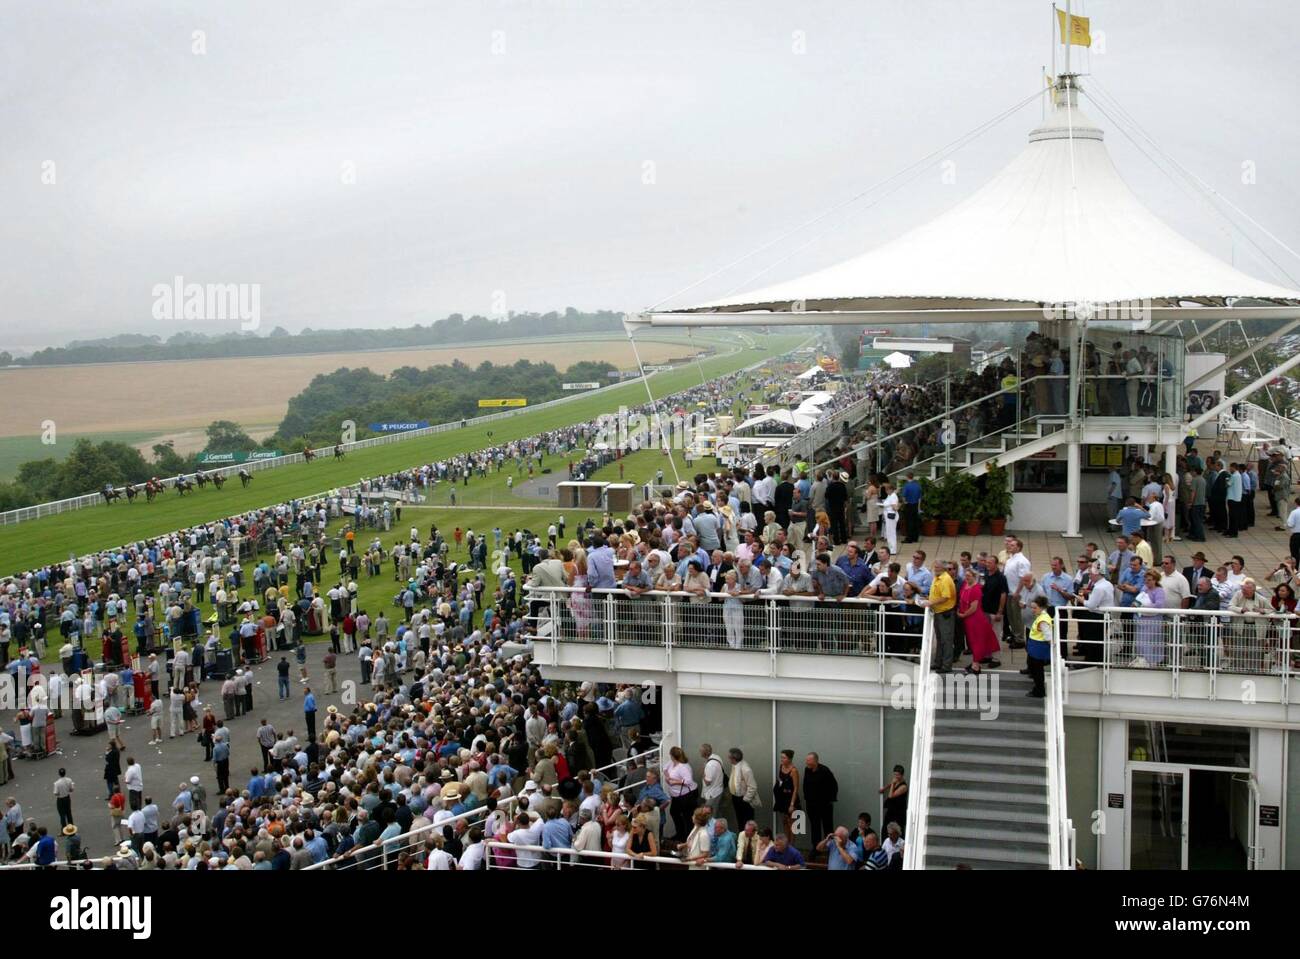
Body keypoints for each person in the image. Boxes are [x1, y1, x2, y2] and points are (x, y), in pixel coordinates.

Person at [956, 567, 1001, 673]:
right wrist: (960, 610)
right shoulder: (965, 585)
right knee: (972, 642)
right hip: (968, 619)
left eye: (969, 576)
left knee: (977, 642)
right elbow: (961, 600)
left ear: (974, 577)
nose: (966, 578)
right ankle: (975, 663)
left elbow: (974, 607)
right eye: (966, 575)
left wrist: (963, 615)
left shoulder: (976, 588)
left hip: (975, 619)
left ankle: (976, 666)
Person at [802, 752, 838, 856]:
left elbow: (834, 785)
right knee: (814, 826)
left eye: (809, 760)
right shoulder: (807, 770)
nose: (806, 762)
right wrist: (806, 798)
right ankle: (816, 848)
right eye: (806, 760)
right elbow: (805, 784)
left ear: (815, 761)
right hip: (811, 805)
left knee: (828, 827)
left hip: (824, 805)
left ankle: (830, 848)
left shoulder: (825, 771)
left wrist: (830, 800)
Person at [1025, 596, 1053, 697]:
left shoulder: (1043, 620)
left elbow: (1048, 636)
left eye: (1035, 608)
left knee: (1038, 671)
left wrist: (1052, 651)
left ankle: (1039, 691)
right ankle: (1038, 688)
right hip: (1036, 647)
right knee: (1035, 670)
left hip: (1039, 649)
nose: (1033, 610)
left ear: (1041, 607)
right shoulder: (1041, 617)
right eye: (1032, 607)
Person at [727, 747, 760, 829]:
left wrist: (745, 799)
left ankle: (749, 840)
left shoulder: (745, 769)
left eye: (729, 757)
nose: (728, 759)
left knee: (747, 822)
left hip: (744, 799)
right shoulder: (735, 765)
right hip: (736, 797)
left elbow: (752, 787)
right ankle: (742, 839)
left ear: (733, 758)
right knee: (740, 820)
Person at [772, 749, 800, 839]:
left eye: (784, 758)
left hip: (790, 798)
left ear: (790, 759)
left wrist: (792, 804)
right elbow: (780, 780)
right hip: (782, 799)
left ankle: (791, 846)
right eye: (781, 757)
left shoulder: (794, 771)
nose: (782, 759)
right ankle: (786, 843)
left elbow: (796, 788)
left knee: (791, 823)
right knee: (784, 821)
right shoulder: (781, 767)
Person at [880, 765, 908, 833]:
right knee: (885, 828)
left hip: (898, 811)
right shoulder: (897, 781)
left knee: (897, 830)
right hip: (892, 810)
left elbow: (890, 796)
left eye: (898, 775)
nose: (896, 776)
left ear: (902, 775)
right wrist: (884, 789)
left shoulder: (903, 786)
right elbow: (890, 784)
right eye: (895, 774)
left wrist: (893, 783)